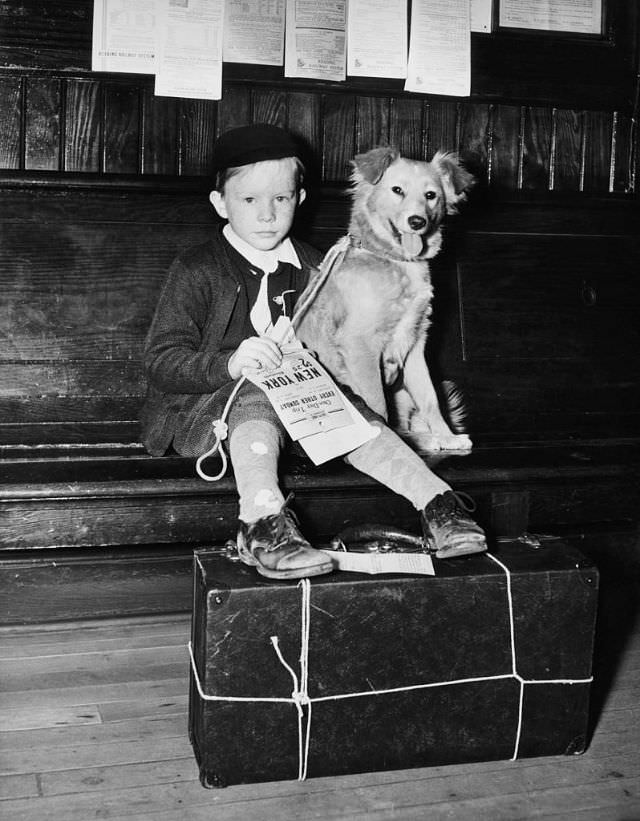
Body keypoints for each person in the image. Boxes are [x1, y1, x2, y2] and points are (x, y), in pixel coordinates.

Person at [141, 123, 487, 580]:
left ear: (299, 201)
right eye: (249, 200)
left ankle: (439, 505)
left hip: (300, 414)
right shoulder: (197, 268)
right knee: (257, 393)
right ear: (219, 203)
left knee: (346, 404)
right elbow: (161, 361)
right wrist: (228, 362)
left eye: (280, 199)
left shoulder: (316, 265)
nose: (266, 214)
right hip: (209, 414)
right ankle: (262, 524)